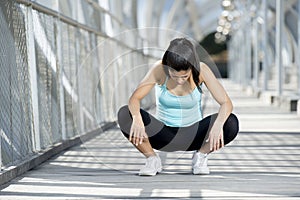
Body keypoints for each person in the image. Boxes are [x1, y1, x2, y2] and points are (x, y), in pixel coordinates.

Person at [117, 38, 239, 176]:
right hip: (163, 135)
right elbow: (135, 98)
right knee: (125, 113)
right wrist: (137, 118)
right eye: (174, 76)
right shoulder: (159, 69)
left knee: (231, 122)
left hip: (193, 135)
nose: (180, 81)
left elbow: (226, 103)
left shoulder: (201, 69)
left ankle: (200, 156)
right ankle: (152, 159)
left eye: (185, 76)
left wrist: (218, 124)